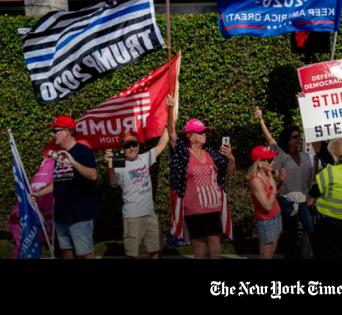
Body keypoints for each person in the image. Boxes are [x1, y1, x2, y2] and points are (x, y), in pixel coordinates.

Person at [167, 98, 236, 259]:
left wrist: (231, 158)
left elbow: (229, 173)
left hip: (214, 208)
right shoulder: (183, 153)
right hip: (194, 210)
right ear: (190, 136)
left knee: (216, 250)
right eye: (200, 132)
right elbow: (171, 132)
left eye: (204, 132)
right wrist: (170, 109)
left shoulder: (212, 153)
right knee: (199, 251)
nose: (204, 134)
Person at [31, 115, 98, 259]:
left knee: (85, 254)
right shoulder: (59, 155)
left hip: (79, 216)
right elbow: (59, 181)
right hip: (61, 215)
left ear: (66, 132)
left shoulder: (83, 151)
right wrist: (39, 193)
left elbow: (93, 175)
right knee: (66, 252)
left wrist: (73, 162)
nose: (53, 134)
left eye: (56, 130)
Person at [255, 107, 314, 259]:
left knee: (311, 233)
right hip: (288, 201)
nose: (298, 139)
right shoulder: (282, 155)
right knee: (291, 238)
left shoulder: (306, 156)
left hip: (304, 202)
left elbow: (310, 178)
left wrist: (311, 195)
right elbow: (269, 139)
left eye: (299, 137)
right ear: (288, 140)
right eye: (294, 137)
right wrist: (261, 120)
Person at [105, 127, 169, 259]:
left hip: (150, 213)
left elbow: (162, 144)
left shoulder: (144, 158)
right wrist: (110, 164)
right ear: (122, 148)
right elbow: (113, 182)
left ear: (138, 146)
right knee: (131, 254)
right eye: (128, 145)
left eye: (134, 144)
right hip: (132, 216)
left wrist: (168, 124)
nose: (131, 148)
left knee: (155, 250)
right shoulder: (119, 164)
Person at [247, 146, 285, 259]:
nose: (272, 162)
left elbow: (274, 197)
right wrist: (273, 188)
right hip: (266, 221)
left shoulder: (268, 174)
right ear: (259, 163)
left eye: (272, 159)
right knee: (266, 256)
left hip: (277, 216)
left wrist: (281, 183)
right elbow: (267, 206)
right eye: (269, 160)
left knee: (272, 252)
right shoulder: (255, 181)